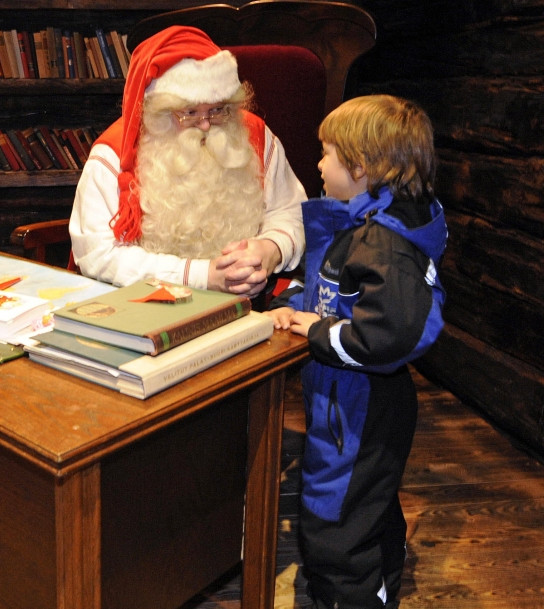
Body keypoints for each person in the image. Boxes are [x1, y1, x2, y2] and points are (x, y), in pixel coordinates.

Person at [264, 95, 448, 609]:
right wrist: (295, 305)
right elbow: (336, 288)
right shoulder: (361, 226)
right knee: (369, 501)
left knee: (335, 527)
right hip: (354, 401)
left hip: (361, 407)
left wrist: (316, 330)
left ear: (361, 167)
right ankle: (385, 576)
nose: (318, 165)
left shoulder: (385, 245)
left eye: (325, 155)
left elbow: (389, 334)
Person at [69, 26, 306, 299]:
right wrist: (203, 276)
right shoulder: (113, 155)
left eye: (217, 109)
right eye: (190, 113)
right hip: (146, 308)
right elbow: (98, 254)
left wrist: (270, 249)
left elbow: (291, 212)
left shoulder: (253, 135)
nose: (205, 124)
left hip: (249, 307)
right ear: (157, 111)